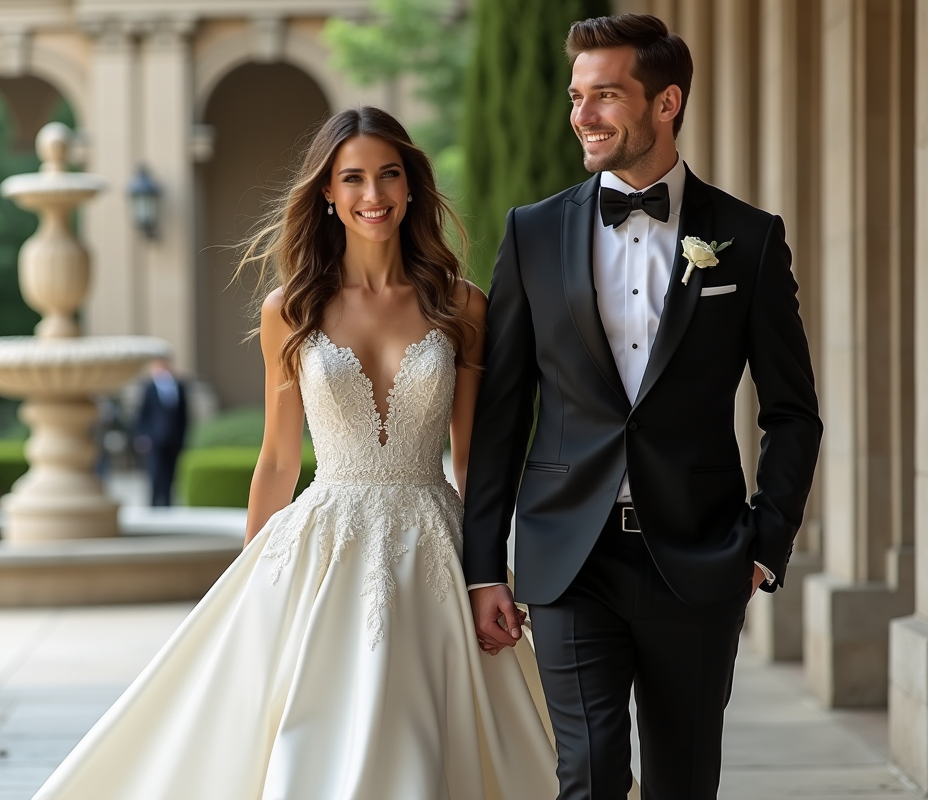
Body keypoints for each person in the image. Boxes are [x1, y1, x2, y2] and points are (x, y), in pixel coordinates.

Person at [31, 106, 558, 800]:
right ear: (330, 196)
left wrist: (488, 573)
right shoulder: (291, 308)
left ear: (411, 186)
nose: (375, 195)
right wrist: (248, 583)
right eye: (354, 179)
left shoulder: (461, 306)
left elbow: (473, 459)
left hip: (432, 541)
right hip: (323, 543)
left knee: (427, 735)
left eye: (389, 175)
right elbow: (279, 458)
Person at [463, 14, 822, 800]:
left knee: (683, 780)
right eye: (575, 96)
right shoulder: (532, 233)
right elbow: (501, 411)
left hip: (699, 556)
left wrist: (766, 540)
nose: (580, 116)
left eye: (604, 96)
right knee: (587, 775)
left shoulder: (748, 239)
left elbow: (793, 410)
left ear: (666, 104)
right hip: (568, 557)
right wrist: (483, 565)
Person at [134, 358, 189, 506]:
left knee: (171, 472)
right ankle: (153, 502)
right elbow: (142, 414)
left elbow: (184, 415)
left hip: (174, 437)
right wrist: (141, 436)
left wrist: (184, 436)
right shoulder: (149, 388)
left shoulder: (179, 386)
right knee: (155, 471)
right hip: (154, 438)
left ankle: (167, 501)